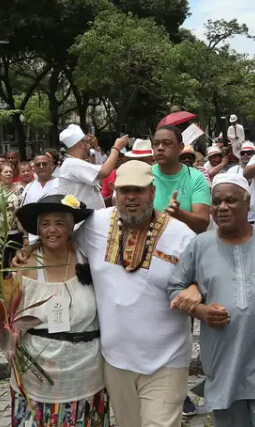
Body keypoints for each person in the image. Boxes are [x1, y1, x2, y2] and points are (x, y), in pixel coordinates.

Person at [73, 160, 195, 427]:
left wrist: (196, 289)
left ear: (152, 192)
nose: (131, 198)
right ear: (115, 193)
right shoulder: (94, 224)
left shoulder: (180, 235)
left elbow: (202, 277)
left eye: (138, 190)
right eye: (124, 190)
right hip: (116, 359)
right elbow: (60, 246)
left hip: (167, 358)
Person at [168, 174, 255, 427]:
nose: (222, 207)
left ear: (248, 204)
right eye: (217, 202)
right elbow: (174, 289)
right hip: (223, 358)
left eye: (231, 201)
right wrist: (200, 310)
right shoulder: (199, 245)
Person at [11, 194, 108, 426]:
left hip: (86, 374)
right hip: (37, 376)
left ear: (72, 227)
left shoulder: (88, 259)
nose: (52, 230)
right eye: (45, 224)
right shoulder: (25, 266)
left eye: (60, 223)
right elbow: (11, 317)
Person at [150, 126, 212, 237]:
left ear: (180, 148)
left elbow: (202, 225)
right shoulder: (146, 175)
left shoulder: (196, 177)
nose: (160, 148)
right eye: (156, 144)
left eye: (167, 143)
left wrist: (179, 214)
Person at [57, 124, 127, 212]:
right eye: (87, 142)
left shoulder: (72, 163)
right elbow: (104, 171)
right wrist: (116, 148)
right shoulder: (72, 163)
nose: (89, 145)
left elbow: (99, 170)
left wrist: (96, 148)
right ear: (81, 144)